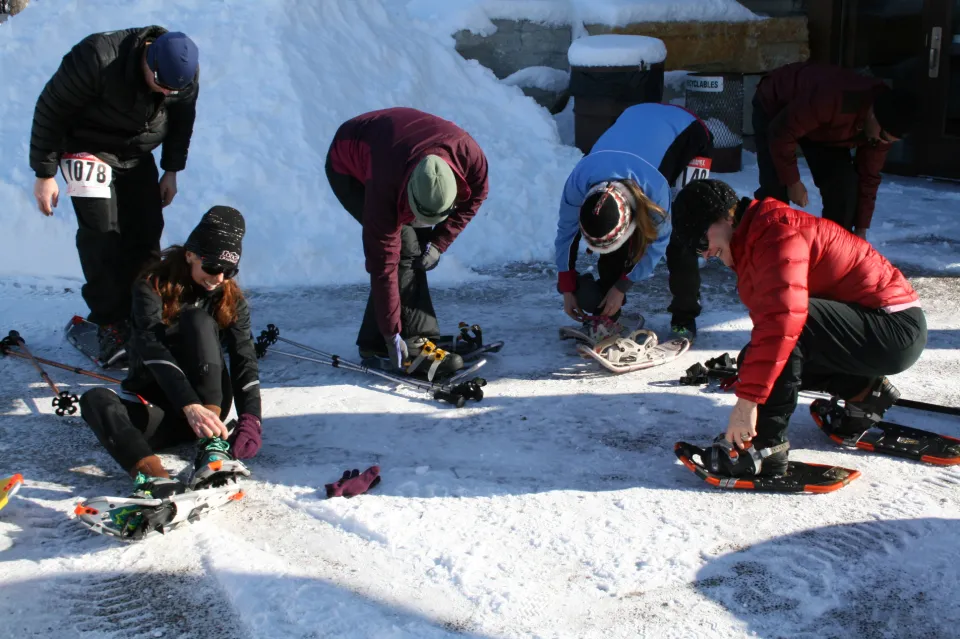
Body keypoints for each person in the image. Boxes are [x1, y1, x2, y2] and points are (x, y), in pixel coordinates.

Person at [671, 180, 926, 478]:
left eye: (701, 242)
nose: (703, 254)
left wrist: (747, 403)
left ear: (726, 217)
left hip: (894, 328)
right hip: (878, 328)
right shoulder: (753, 238)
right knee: (753, 359)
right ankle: (865, 393)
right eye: (696, 250)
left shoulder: (775, 233)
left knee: (788, 328)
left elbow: (783, 322)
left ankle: (765, 449)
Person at [30, 26, 201, 364]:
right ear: (147, 61)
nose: (166, 94)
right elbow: (51, 110)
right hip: (87, 148)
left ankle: (147, 312)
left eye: (173, 89)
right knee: (102, 234)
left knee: (147, 229)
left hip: (136, 154)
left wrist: (171, 170)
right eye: (161, 86)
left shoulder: (183, 74)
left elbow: (183, 120)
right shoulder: (96, 57)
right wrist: (44, 173)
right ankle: (109, 320)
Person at [78, 206, 262, 520]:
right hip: (162, 407)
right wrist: (188, 405)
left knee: (198, 321)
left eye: (229, 271)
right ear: (191, 254)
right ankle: (153, 478)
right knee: (94, 400)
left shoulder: (228, 297)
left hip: (210, 409)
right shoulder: (150, 286)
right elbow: (151, 344)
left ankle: (213, 449)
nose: (218, 278)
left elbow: (244, 356)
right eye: (213, 266)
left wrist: (251, 418)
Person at [325, 107, 490, 378]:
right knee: (404, 246)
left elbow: (477, 195)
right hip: (348, 165)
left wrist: (439, 242)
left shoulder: (471, 159)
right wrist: (392, 335)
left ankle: (390, 337)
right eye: (418, 213)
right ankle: (398, 340)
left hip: (397, 143)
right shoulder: (384, 189)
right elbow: (383, 266)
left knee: (417, 245)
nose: (423, 222)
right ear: (408, 194)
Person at [554, 102, 713, 342]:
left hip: (688, 130)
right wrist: (566, 285)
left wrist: (622, 286)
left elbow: (659, 242)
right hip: (635, 115)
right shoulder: (578, 182)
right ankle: (609, 314)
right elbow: (566, 235)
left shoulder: (655, 190)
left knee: (682, 236)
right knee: (615, 246)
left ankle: (684, 316)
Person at [752, 61, 918, 238]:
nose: (881, 141)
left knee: (844, 186)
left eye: (889, 141)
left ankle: (836, 246)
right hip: (776, 106)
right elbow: (781, 131)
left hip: (824, 127)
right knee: (776, 189)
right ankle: (764, 239)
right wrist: (793, 181)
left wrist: (861, 229)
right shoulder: (836, 100)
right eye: (883, 136)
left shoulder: (880, 133)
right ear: (873, 115)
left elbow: (868, 176)